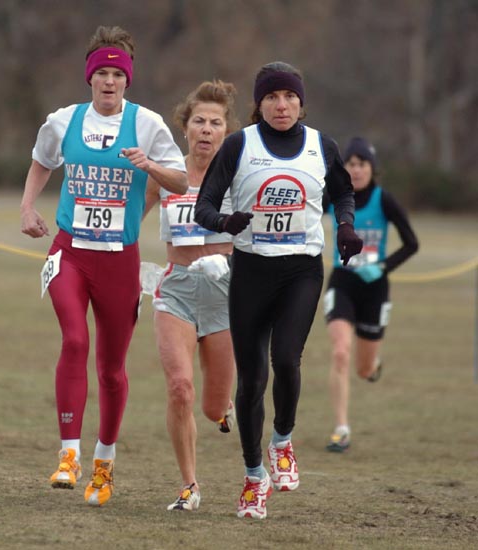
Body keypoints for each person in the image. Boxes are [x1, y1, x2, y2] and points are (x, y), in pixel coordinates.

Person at [19, 25, 187, 507]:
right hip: (70, 252)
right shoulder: (63, 121)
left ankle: (103, 463)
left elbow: (178, 180)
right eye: (102, 74)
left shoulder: (148, 125)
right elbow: (40, 161)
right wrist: (28, 208)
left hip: (120, 260)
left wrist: (149, 167)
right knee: (74, 339)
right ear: (89, 78)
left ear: (127, 80)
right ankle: (68, 454)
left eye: (117, 74)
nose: (109, 82)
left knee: (111, 369)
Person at [194, 61, 363, 519]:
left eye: (289, 96)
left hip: (301, 270)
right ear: (259, 104)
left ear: (300, 103)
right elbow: (203, 206)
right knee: (251, 383)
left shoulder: (319, 146)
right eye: (271, 97)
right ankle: (254, 479)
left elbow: (344, 193)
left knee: (287, 358)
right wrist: (224, 222)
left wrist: (345, 226)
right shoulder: (239, 145)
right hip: (250, 271)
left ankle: (282, 442)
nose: (281, 104)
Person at [142, 80, 240, 512]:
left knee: (211, 406)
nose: (206, 129)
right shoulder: (167, 176)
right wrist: (126, 269)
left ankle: (223, 408)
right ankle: (189, 485)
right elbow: (126, 225)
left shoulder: (240, 176)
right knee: (180, 387)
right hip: (177, 290)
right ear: (185, 128)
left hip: (226, 293)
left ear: (225, 130)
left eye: (215, 123)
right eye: (198, 120)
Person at [323, 137, 419, 452]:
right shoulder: (335, 198)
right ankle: (341, 428)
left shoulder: (383, 200)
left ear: (371, 169)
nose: (356, 169)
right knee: (340, 352)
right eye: (350, 163)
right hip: (343, 282)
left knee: (363, 370)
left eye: (362, 164)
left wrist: (382, 267)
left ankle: (373, 365)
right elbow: (305, 219)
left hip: (375, 287)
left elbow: (411, 243)